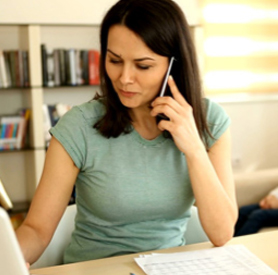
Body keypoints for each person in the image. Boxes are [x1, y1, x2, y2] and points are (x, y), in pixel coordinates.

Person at [16, 0, 237, 265]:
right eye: (114, 60)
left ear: (173, 66)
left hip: (169, 270)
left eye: (142, 66)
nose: (124, 78)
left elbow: (222, 233)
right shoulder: (79, 126)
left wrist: (194, 148)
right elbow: (36, 230)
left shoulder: (210, 121)